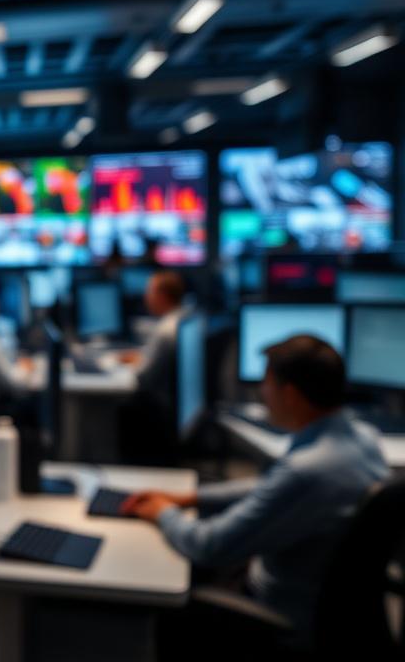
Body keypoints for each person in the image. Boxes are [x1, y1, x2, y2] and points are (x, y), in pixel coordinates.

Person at [122, 335, 389, 644]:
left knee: (161, 593)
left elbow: (208, 546)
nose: (262, 393)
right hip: (335, 607)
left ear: (289, 394)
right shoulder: (364, 439)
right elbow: (272, 484)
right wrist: (192, 497)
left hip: (280, 617)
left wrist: (162, 512)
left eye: (266, 383)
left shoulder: (307, 471)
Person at [120, 269, 188, 396]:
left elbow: (142, 377)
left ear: (162, 296)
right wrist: (143, 358)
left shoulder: (165, 330)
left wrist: (118, 369)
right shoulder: (183, 318)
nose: (145, 297)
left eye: (149, 292)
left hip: (156, 404)